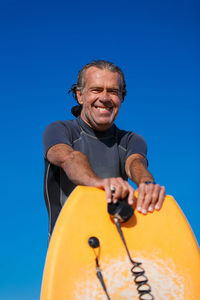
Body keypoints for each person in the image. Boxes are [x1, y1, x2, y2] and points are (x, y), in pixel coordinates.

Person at [43, 60, 165, 240]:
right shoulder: (60, 130)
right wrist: (99, 183)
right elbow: (69, 158)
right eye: (96, 90)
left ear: (121, 98)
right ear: (80, 95)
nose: (105, 98)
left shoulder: (131, 139)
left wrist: (147, 186)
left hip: (116, 249)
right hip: (67, 246)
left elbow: (135, 164)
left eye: (113, 91)